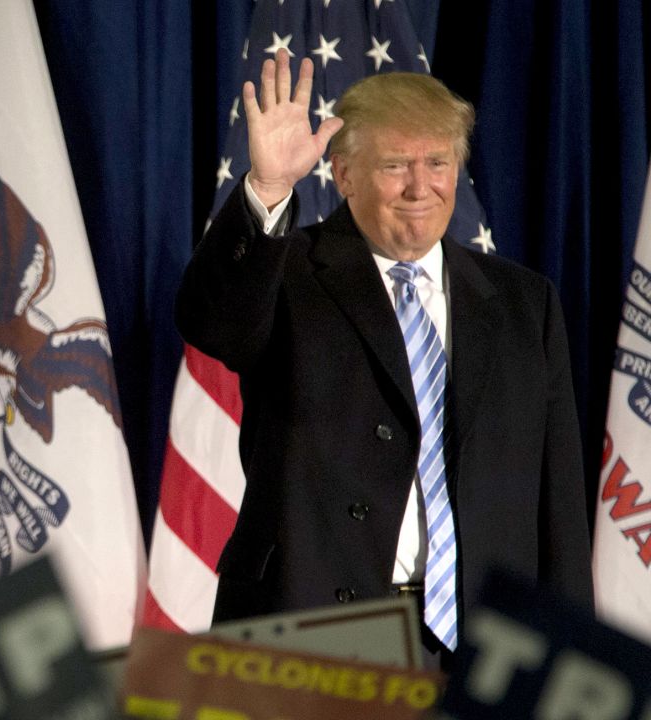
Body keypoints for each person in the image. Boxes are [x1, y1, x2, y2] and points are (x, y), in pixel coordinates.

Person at [177, 50, 592, 659]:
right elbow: (214, 326)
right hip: (313, 634)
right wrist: (268, 188)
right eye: (396, 165)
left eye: (437, 163)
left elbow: (558, 501)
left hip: (485, 641)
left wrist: (571, 650)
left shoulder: (524, 302)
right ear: (343, 175)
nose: (420, 187)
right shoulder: (287, 273)